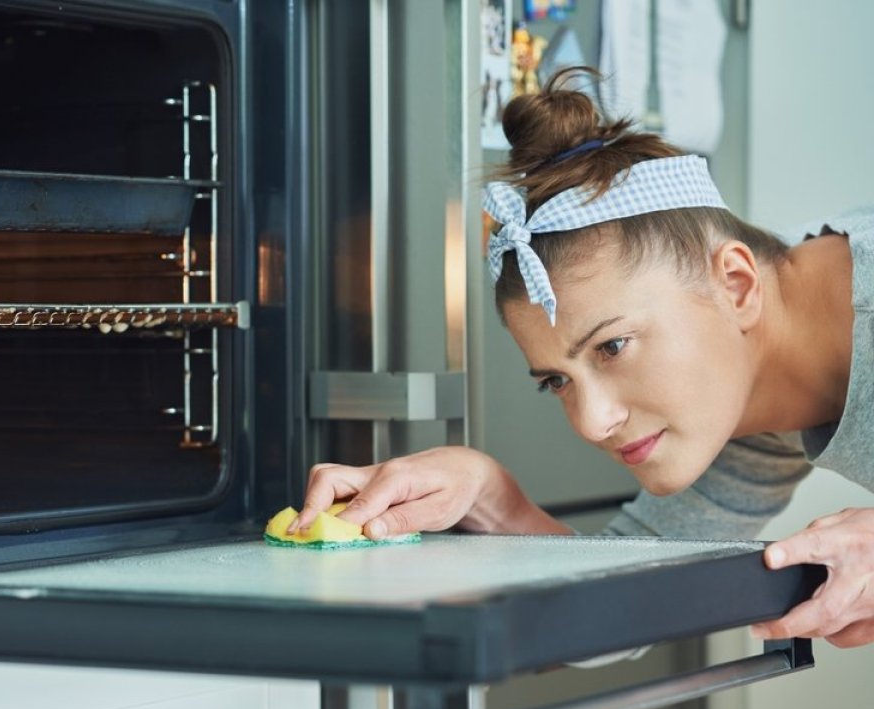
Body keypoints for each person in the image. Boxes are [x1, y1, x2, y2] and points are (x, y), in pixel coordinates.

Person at [289, 68, 874, 649]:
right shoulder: (746, 405)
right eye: (556, 382)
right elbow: (622, 614)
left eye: (612, 346)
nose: (593, 423)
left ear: (737, 284)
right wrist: (494, 500)